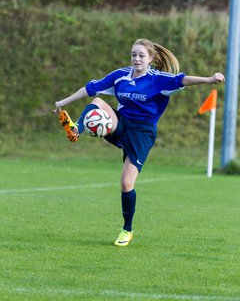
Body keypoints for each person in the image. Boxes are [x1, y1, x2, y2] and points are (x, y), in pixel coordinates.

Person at [53, 38, 225, 247]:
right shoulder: (120, 76)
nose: (136, 59)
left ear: (150, 59)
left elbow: (183, 80)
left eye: (141, 55)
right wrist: (62, 103)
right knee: (97, 102)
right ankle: (76, 130)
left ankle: (127, 229)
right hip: (123, 123)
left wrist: (209, 79)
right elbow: (91, 89)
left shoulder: (158, 79)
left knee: (126, 183)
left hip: (142, 133)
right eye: (134, 54)